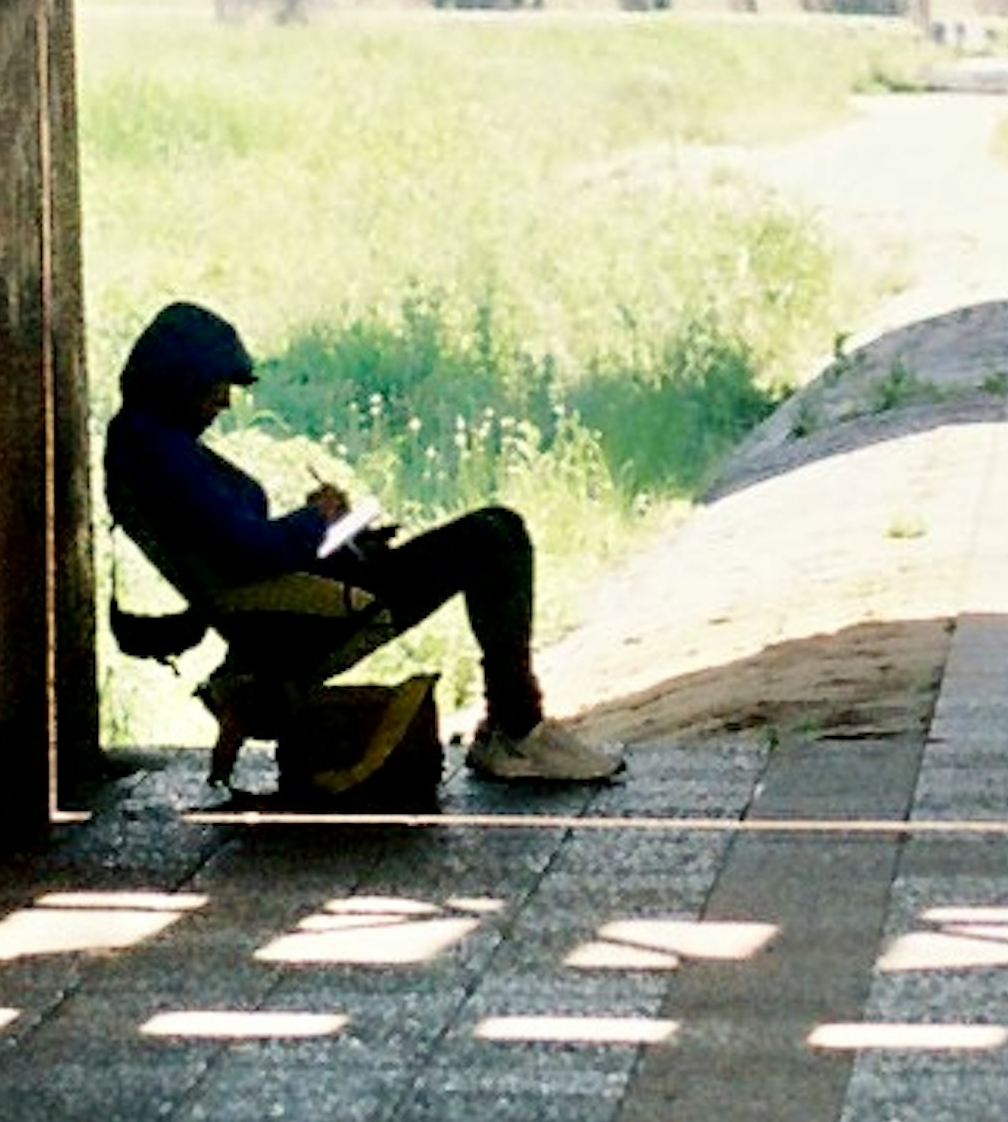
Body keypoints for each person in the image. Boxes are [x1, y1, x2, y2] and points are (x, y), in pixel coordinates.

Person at [102, 300, 624, 789]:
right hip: (299, 616)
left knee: (499, 530)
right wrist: (319, 517)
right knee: (492, 537)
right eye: (215, 386)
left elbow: (231, 546)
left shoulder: (147, 445)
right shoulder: (162, 456)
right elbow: (253, 551)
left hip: (292, 595)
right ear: (179, 381)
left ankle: (511, 724)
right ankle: (516, 727)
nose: (224, 400)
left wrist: (333, 536)